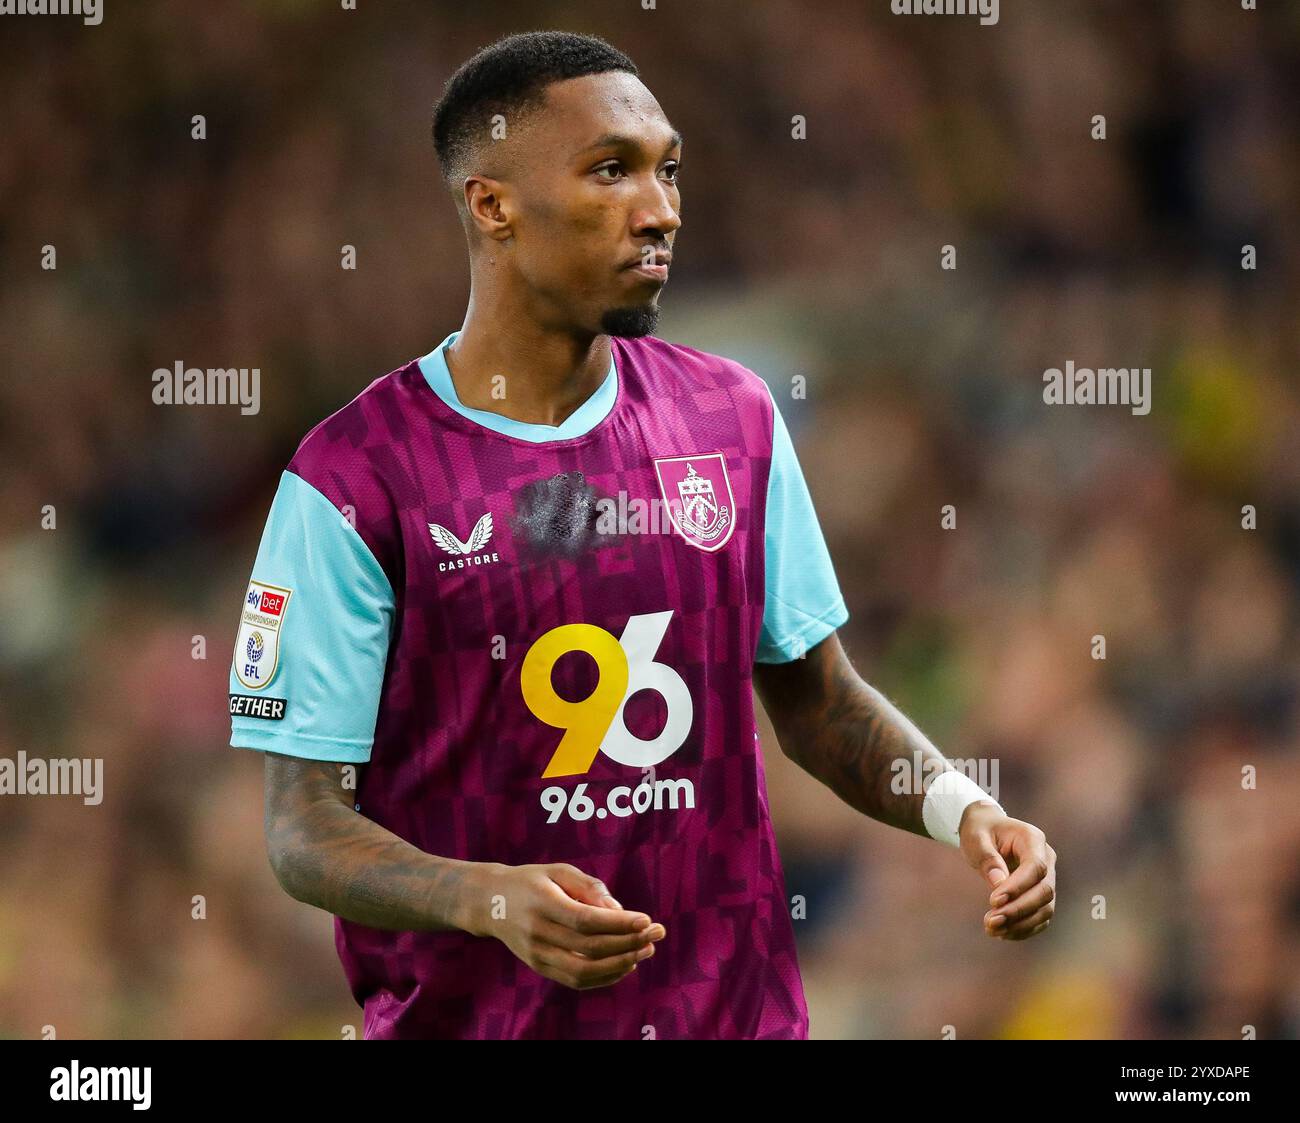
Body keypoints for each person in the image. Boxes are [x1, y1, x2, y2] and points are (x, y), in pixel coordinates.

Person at [229, 30, 1056, 1039]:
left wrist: (963, 808)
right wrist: (486, 898)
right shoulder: (355, 475)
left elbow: (820, 702)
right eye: (610, 171)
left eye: (668, 171)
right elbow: (302, 827)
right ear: (491, 204)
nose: (659, 208)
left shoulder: (734, 418)